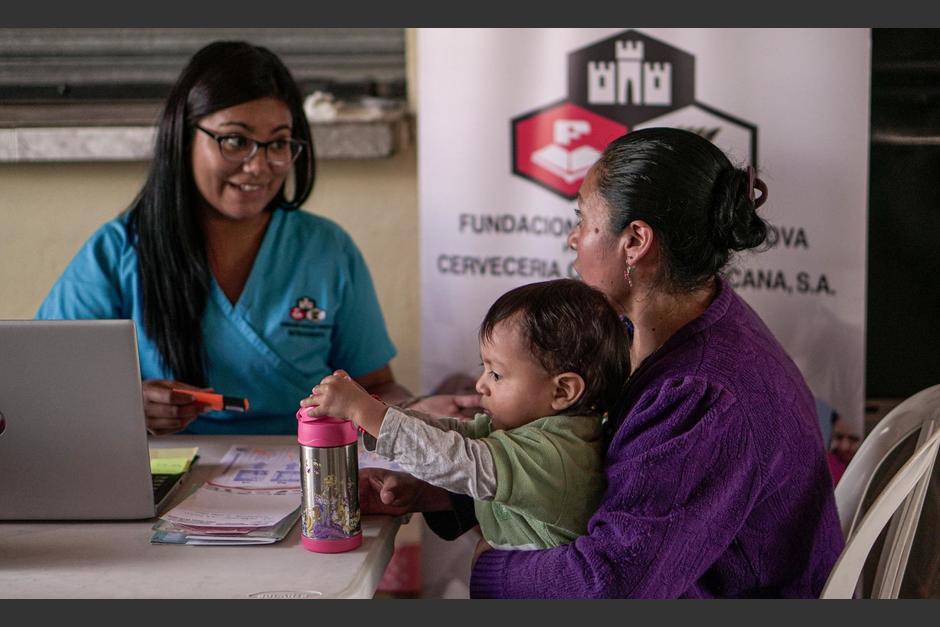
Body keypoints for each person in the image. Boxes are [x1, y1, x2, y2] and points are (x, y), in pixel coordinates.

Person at [360, 127, 845, 598]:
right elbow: (583, 476)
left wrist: (490, 566)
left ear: (635, 241)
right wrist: (441, 494)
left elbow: (610, 585)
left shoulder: (702, 393)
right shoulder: (661, 332)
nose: (573, 239)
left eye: (583, 220)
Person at [35, 41, 410, 435]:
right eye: (235, 140)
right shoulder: (118, 251)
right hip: (168, 475)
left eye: (278, 143)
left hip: (306, 472)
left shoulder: (327, 249)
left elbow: (377, 387)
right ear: (183, 136)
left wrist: (418, 412)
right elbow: (45, 386)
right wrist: (125, 405)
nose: (258, 165)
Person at [302, 279, 630, 551]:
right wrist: (375, 419)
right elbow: (457, 436)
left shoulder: (554, 455)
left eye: (496, 374)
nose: (481, 384)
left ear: (562, 392)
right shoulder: (533, 431)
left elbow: (457, 460)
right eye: (482, 368)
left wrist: (367, 411)